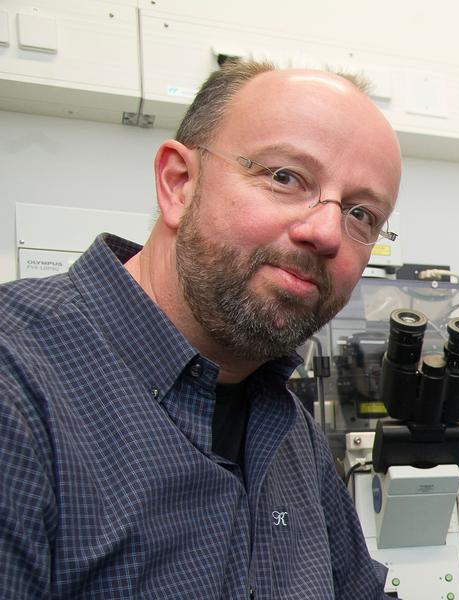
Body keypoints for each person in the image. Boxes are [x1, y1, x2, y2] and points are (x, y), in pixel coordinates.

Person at [0, 61, 402, 599]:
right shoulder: (18, 389)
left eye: (361, 215)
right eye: (285, 177)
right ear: (179, 183)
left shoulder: (287, 427)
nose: (327, 232)